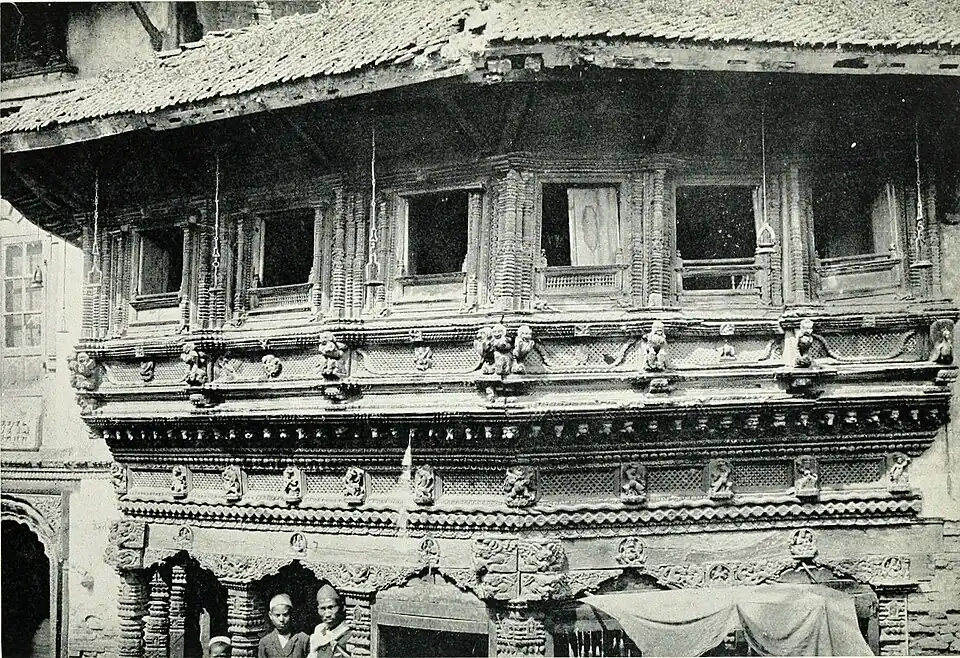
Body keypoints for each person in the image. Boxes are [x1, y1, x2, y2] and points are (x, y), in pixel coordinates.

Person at [259, 593, 310, 658]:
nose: (281, 619)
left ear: (291, 614)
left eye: (285, 615)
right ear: (270, 615)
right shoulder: (265, 642)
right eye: (277, 615)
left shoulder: (303, 639)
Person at [308, 584, 352, 658]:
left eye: (331, 608)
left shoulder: (349, 633)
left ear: (342, 607)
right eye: (323, 609)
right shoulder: (320, 629)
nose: (327, 614)